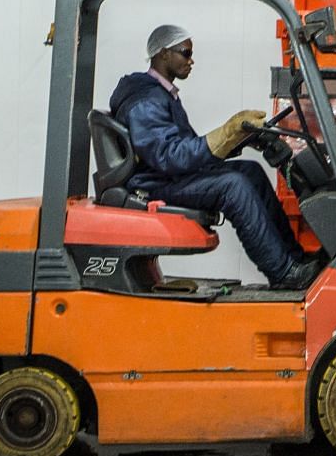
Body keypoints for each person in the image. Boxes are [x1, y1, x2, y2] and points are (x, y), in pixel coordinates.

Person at [107, 24, 323, 290]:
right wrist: (223, 135)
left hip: (166, 176)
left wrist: (236, 140)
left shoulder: (159, 93)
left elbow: (178, 147)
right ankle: (283, 273)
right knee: (233, 185)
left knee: (250, 172)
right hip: (154, 184)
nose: (191, 60)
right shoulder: (146, 101)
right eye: (185, 53)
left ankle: (293, 260)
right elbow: (168, 156)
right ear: (163, 54)